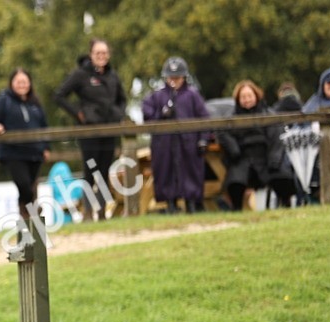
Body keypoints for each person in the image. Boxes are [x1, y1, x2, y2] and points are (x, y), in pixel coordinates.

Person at [54, 38, 127, 220]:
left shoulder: (113, 76)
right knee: (90, 170)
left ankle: (101, 212)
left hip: (109, 129)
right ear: (91, 55)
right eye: (98, 53)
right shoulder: (80, 74)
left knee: (104, 171)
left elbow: (122, 99)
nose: (101, 56)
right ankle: (87, 211)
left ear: (108, 55)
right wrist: (79, 113)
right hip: (89, 130)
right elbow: (60, 95)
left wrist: (118, 114)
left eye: (104, 53)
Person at [142, 57, 210, 213]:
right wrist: (162, 114)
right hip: (164, 144)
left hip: (188, 143)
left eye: (177, 78)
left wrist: (203, 140)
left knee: (191, 173)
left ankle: (192, 203)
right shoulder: (156, 96)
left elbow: (205, 118)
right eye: (171, 78)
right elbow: (147, 117)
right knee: (166, 173)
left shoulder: (192, 95)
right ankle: (170, 204)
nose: (174, 81)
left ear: (184, 78)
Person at [217, 80, 295, 210]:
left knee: (282, 177)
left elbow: (277, 138)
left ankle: (286, 205)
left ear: (256, 96)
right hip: (242, 157)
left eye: (249, 96)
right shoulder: (231, 117)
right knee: (235, 181)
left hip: (265, 156)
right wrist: (234, 150)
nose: (247, 100)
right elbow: (223, 133)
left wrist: (274, 160)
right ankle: (236, 210)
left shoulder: (269, 114)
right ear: (238, 99)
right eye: (243, 97)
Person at [0, 68, 50, 220]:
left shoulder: (35, 103)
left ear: (29, 84)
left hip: (35, 152)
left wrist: (46, 147)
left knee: (30, 187)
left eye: (25, 82)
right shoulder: (4, 100)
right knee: (24, 184)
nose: (22, 85)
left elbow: (44, 126)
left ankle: (26, 216)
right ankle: (32, 208)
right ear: (12, 83)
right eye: (19, 82)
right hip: (13, 152)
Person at [300, 65, 330, 203]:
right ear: (322, 85)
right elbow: (301, 126)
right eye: (329, 83)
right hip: (317, 152)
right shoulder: (312, 104)